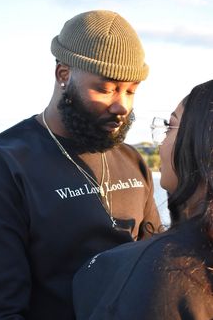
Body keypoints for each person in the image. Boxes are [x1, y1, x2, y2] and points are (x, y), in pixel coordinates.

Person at [0, 10, 161, 320]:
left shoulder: (132, 161)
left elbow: (154, 268)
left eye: (131, 90)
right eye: (105, 89)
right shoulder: (1, 165)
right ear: (63, 75)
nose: (122, 105)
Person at [73, 79, 213, 320]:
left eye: (171, 126)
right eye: (106, 89)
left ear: (200, 144)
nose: (122, 107)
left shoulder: (161, 275)